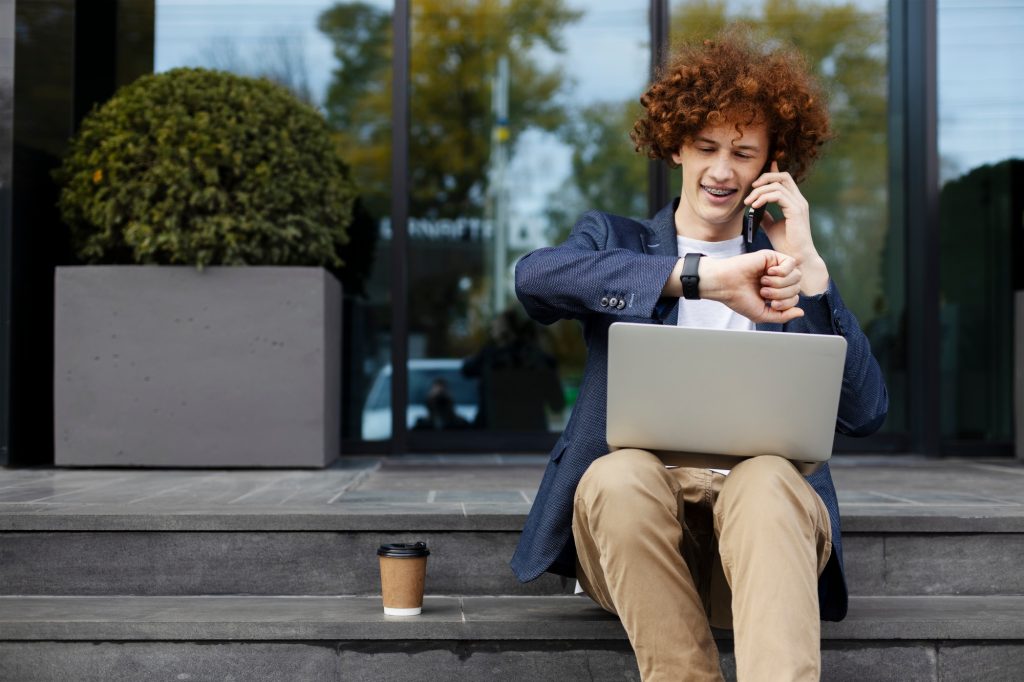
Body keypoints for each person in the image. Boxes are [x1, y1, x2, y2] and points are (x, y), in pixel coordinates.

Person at [509, 27, 888, 682]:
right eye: (706, 146)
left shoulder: (789, 270)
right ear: (676, 144)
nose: (721, 169)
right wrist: (697, 278)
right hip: (638, 547)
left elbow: (866, 412)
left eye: (743, 152)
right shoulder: (618, 241)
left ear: (772, 163)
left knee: (769, 477)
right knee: (616, 474)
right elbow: (536, 280)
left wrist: (812, 267)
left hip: (763, 551)